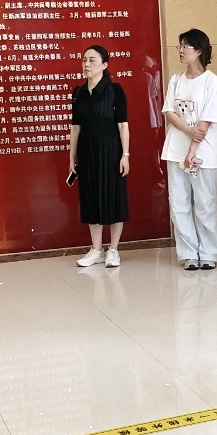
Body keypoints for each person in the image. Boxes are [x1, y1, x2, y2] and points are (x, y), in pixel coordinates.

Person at [161, 29, 217, 270]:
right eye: (179, 46)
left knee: (205, 202)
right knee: (179, 203)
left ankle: (209, 253)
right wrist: (187, 132)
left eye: (185, 46)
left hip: (203, 152)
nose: (180, 50)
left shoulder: (211, 81)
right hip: (176, 149)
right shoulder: (176, 80)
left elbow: (206, 120)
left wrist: (192, 149)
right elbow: (169, 112)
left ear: (198, 51)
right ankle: (188, 253)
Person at [69, 46, 129, 268]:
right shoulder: (78, 93)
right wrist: (72, 157)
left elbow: (123, 125)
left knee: (113, 199)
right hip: (87, 153)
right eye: (84, 60)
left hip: (111, 152)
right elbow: (75, 127)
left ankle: (113, 250)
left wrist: (125, 155)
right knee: (91, 199)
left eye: (92, 60)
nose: (87, 64)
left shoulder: (114, 90)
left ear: (104, 65)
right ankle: (96, 250)